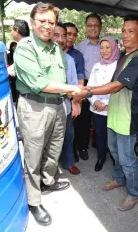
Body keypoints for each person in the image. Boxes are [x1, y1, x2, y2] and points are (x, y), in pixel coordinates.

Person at [14, 2, 81, 226]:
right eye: (42, 21)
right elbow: (39, 83)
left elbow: (61, 80)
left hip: (58, 106)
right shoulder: (25, 47)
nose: (47, 26)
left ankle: (48, 180)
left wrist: (71, 95)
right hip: (34, 107)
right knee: (33, 155)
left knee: (54, 148)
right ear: (33, 23)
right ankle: (34, 200)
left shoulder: (56, 49)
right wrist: (72, 90)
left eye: (51, 22)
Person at [74, 15, 138, 211]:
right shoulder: (124, 56)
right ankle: (118, 178)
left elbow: (116, 85)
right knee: (114, 150)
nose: (125, 35)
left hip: (127, 116)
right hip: (114, 113)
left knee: (126, 157)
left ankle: (134, 193)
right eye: (123, 30)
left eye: (130, 31)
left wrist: (88, 91)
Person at [53, 22, 82, 175]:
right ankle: (49, 169)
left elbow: (74, 85)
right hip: (46, 108)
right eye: (56, 35)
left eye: (63, 35)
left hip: (65, 106)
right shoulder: (41, 58)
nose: (60, 39)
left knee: (68, 136)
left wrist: (76, 103)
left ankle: (68, 162)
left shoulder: (69, 60)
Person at [87, 37, 119, 171]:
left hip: (113, 108)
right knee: (99, 134)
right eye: (102, 47)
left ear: (114, 48)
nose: (104, 50)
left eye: (108, 47)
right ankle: (101, 157)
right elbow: (89, 87)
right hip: (96, 108)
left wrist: (105, 103)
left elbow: (119, 88)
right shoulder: (96, 66)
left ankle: (115, 157)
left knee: (114, 135)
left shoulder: (119, 65)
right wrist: (95, 101)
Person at [74, 13, 103, 161]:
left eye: (96, 25)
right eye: (90, 25)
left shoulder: (107, 45)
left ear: (100, 27)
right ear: (86, 28)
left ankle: (100, 145)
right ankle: (83, 146)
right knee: (84, 120)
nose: (93, 28)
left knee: (100, 117)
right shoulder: (79, 47)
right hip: (85, 85)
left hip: (104, 87)